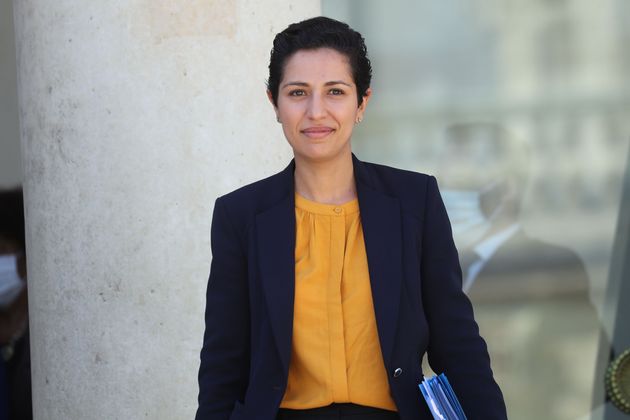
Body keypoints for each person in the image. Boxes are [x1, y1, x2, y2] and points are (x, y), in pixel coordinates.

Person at [195, 17, 506, 420]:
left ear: (362, 102)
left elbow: (456, 342)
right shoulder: (240, 215)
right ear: (274, 102)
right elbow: (223, 364)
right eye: (297, 92)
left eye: (335, 92)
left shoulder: (415, 201)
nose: (316, 111)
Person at [436, 122, 602, 419]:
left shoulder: (552, 267)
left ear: (507, 189)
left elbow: (583, 381)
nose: (446, 197)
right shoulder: (443, 268)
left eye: (462, 186)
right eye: (443, 185)